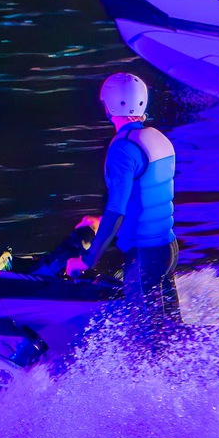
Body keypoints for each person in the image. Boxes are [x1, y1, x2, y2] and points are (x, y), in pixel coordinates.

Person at [67, 73, 179, 349]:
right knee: (171, 332)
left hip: (143, 257)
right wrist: (99, 220)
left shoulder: (123, 150)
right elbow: (148, 195)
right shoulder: (158, 139)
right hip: (168, 248)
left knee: (147, 343)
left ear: (107, 106)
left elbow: (117, 210)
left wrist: (87, 260)